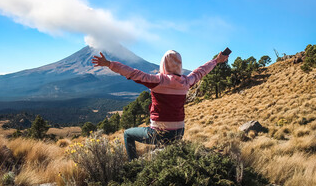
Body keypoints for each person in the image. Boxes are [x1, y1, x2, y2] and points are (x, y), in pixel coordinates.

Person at [92, 49, 229, 161]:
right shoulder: (187, 82)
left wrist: (109, 64)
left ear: (163, 64)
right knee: (162, 154)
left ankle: (133, 167)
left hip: (159, 132)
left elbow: (132, 73)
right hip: (179, 132)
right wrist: (217, 60)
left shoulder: (157, 80)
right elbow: (201, 71)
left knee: (128, 134)